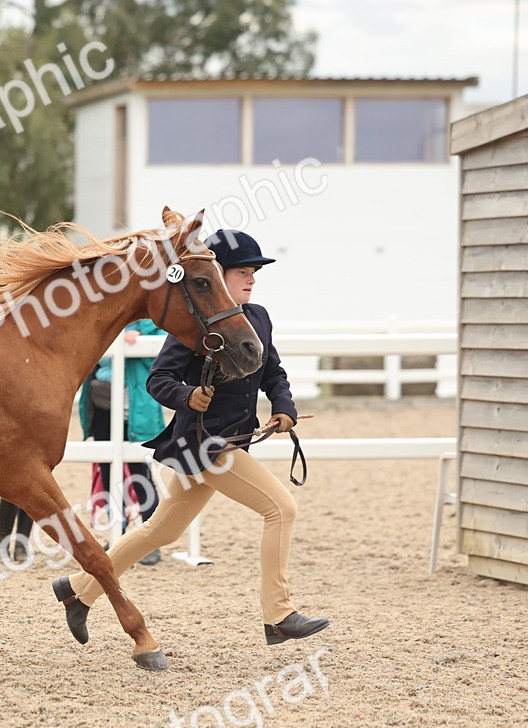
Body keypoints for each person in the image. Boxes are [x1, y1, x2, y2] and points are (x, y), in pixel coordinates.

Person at [52, 230, 329, 647]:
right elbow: (158, 379)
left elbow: (273, 372)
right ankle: (278, 614)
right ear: (217, 276)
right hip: (205, 444)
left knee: (160, 532)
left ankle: (78, 590)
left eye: (254, 272)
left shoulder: (258, 318)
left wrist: (284, 407)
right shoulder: (196, 325)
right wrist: (188, 396)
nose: (251, 280)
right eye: (242, 273)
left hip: (230, 441)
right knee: (281, 509)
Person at [79, 320, 167, 566]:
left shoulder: (153, 319)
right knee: (108, 470)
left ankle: (151, 539)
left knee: (139, 470)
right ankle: (119, 532)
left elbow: (163, 343)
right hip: (102, 400)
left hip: (133, 404)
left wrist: (137, 334)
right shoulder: (108, 317)